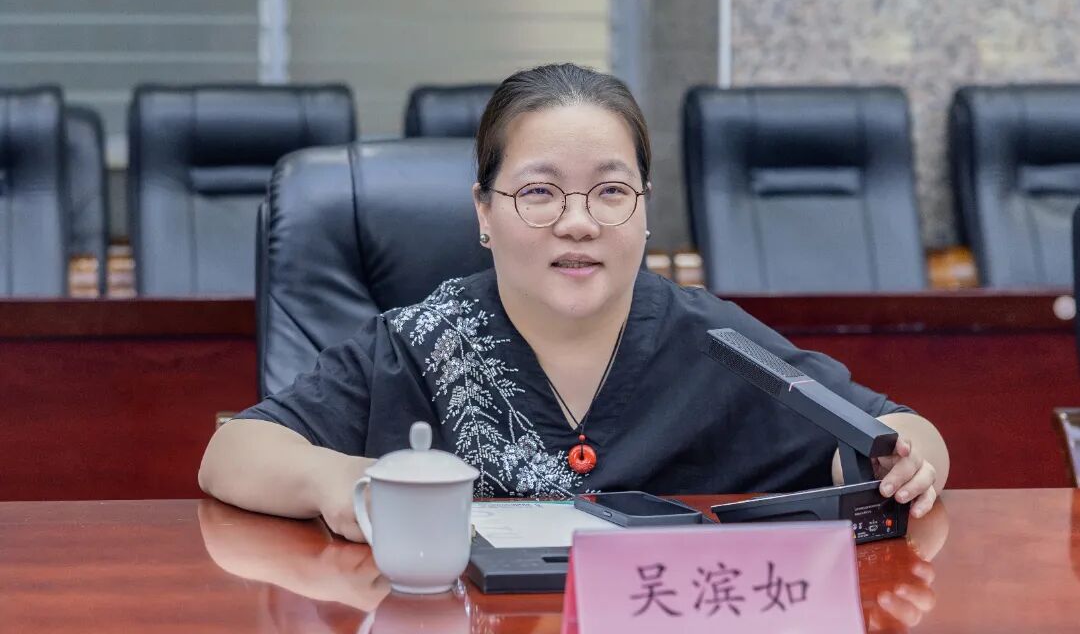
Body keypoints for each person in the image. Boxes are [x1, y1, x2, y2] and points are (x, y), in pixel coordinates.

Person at [199, 63, 950, 542]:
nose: (579, 222)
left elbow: (893, 428)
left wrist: (910, 461)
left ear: (644, 211)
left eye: (611, 191)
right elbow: (232, 452)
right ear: (484, 213)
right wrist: (334, 481)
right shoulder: (419, 341)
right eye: (539, 192)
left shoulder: (712, 339)